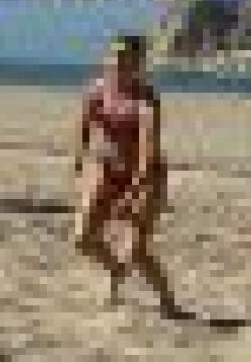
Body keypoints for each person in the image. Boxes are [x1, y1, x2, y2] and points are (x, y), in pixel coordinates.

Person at [71, 33, 185, 318]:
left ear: (138, 63)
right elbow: (84, 125)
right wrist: (80, 160)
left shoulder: (146, 100)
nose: (116, 62)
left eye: (124, 57)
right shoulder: (96, 90)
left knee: (136, 249)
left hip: (147, 176)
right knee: (82, 238)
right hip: (108, 168)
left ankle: (168, 301)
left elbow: (147, 153)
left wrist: (132, 194)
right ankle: (115, 269)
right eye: (112, 56)